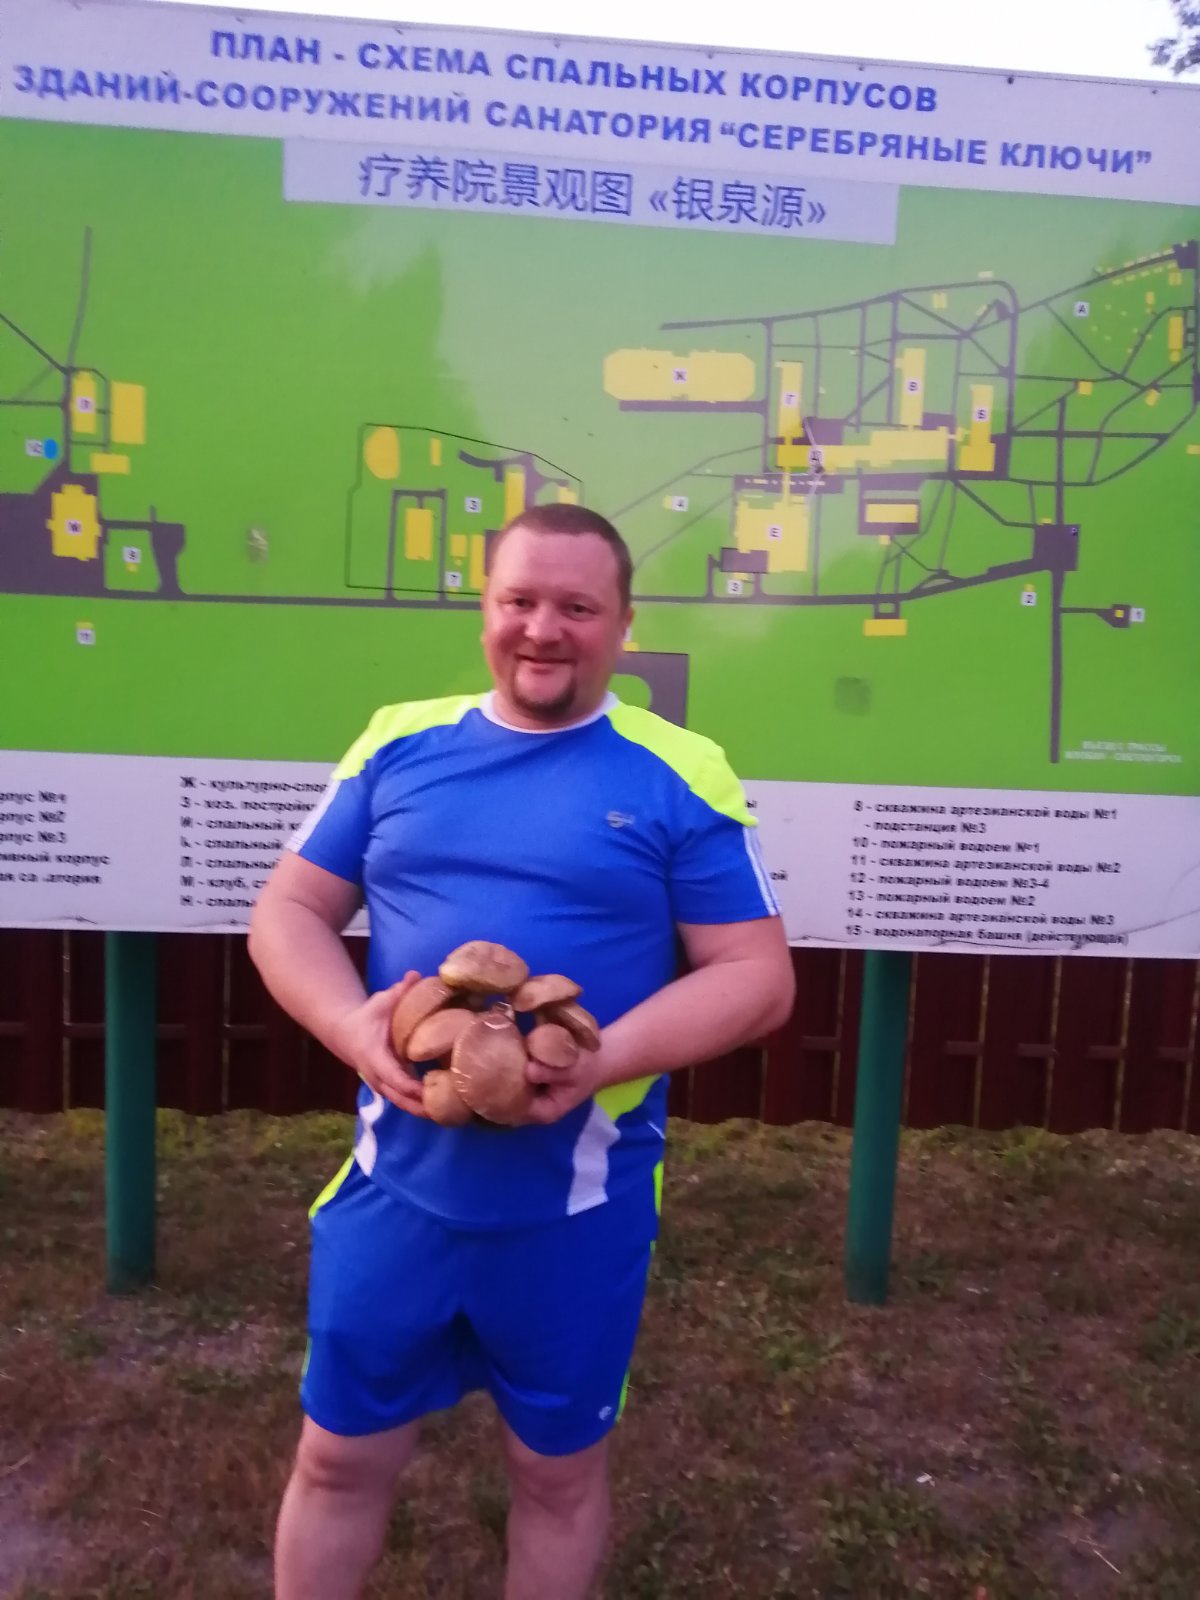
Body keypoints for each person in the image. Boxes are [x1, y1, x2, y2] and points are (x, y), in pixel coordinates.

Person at [248, 502, 795, 1600]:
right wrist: (351, 1026)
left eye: (577, 607)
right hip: (394, 1196)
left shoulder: (679, 771)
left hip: (574, 1214)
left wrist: (603, 1057)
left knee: (554, 1479)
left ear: (625, 626)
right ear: (486, 611)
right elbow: (288, 911)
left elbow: (756, 976)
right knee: (337, 1460)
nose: (543, 628)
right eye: (520, 600)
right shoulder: (399, 741)